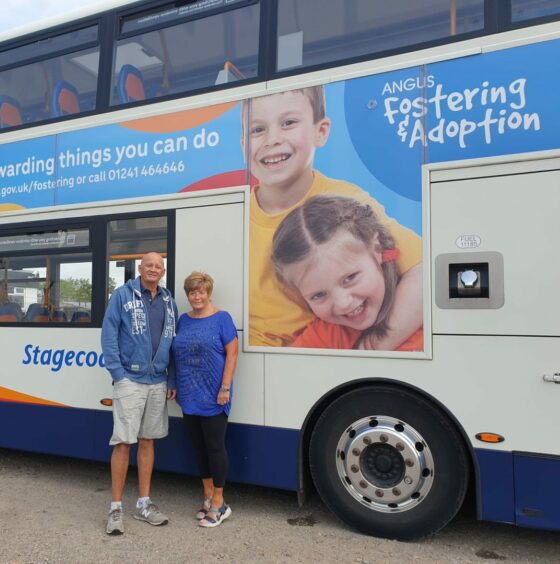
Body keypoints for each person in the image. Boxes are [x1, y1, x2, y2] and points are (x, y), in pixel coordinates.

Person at [244, 86, 423, 348]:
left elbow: (424, 272)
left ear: (321, 131)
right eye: (257, 129)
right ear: (242, 145)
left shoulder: (347, 199)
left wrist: (370, 349)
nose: (272, 139)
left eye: (289, 123)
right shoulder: (232, 215)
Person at [272, 194, 422, 350]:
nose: (343, 304)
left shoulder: (427, 323)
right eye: (318, 295)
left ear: (377, 249)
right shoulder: (328, 335)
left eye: (350, 278)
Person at [100, 252, 178, 535]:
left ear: (163, 270)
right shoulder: (122, 295)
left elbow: (173, 342)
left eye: (158, 266)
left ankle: (143, 504)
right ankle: (116, 508)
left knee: (148, 442)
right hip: (129, 380)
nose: (153, 269)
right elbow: (108, 335)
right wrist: (118, 375)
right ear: (140, 268)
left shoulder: (169, 301)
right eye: (148, 265)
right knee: (123, 442)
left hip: (158, 382)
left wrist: (171, 379)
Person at [171, 271, 238, 527]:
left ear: (208, 293)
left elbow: (232, 354)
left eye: (200, 291)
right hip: (189, 394)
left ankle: (220, 503)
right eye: (192, 292)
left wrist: (225, 387)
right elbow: (175, 354)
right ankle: (208, 496)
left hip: (214, 395)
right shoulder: (183, 321)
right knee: (198, 448)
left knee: (214, 447)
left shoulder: (222, 318)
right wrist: (175, 384)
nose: (196, 296)